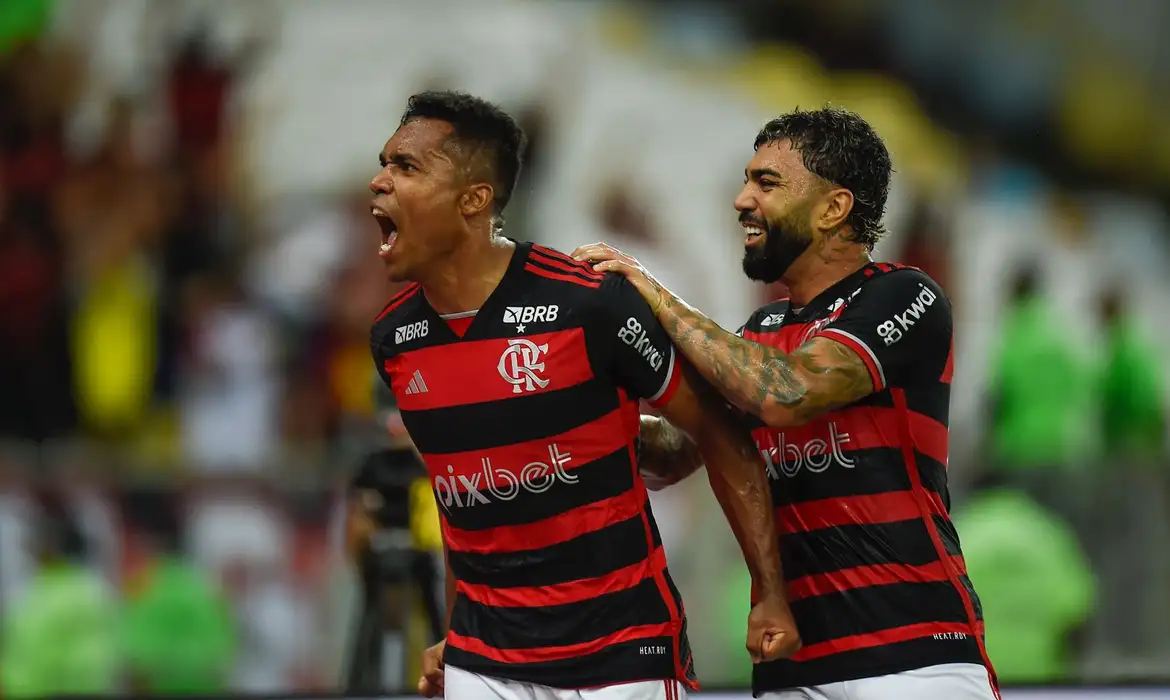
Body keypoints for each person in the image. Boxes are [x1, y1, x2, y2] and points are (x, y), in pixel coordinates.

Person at [368, 91, 799, 700]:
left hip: (621, 654)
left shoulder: (588, 303)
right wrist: (454, 633)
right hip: (487, 657)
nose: (378, 183)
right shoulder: (394, 340)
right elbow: (459, 501)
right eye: (384, 164)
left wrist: (769, 592)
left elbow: (714, 428)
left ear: (473, 200)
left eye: (405, 167)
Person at [574, 107, 999, 700]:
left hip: (914, 657)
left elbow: (790, 393)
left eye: (766, 183)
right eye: (747, 180)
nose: (741, 200)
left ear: (833, 208)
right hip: (793, 664)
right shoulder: (760, 332)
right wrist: (562, 416)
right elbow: (676, 453)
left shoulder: (906, 295)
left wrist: (656, 296)